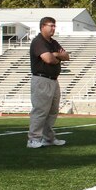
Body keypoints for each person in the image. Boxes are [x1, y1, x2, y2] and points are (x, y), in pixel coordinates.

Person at [27, 16, 70, 148]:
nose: (53, 28)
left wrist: (55, 55)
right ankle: (33, 138)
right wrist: (57, 56)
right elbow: (49, 59)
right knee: (40, 110)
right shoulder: (38, 41)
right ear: (42, 26)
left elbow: (66, 56)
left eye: (54, 26)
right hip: (41, 79)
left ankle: (48, 138)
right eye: (50, 25)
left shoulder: (53, 42)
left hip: (53, 80)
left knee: (52, 111)